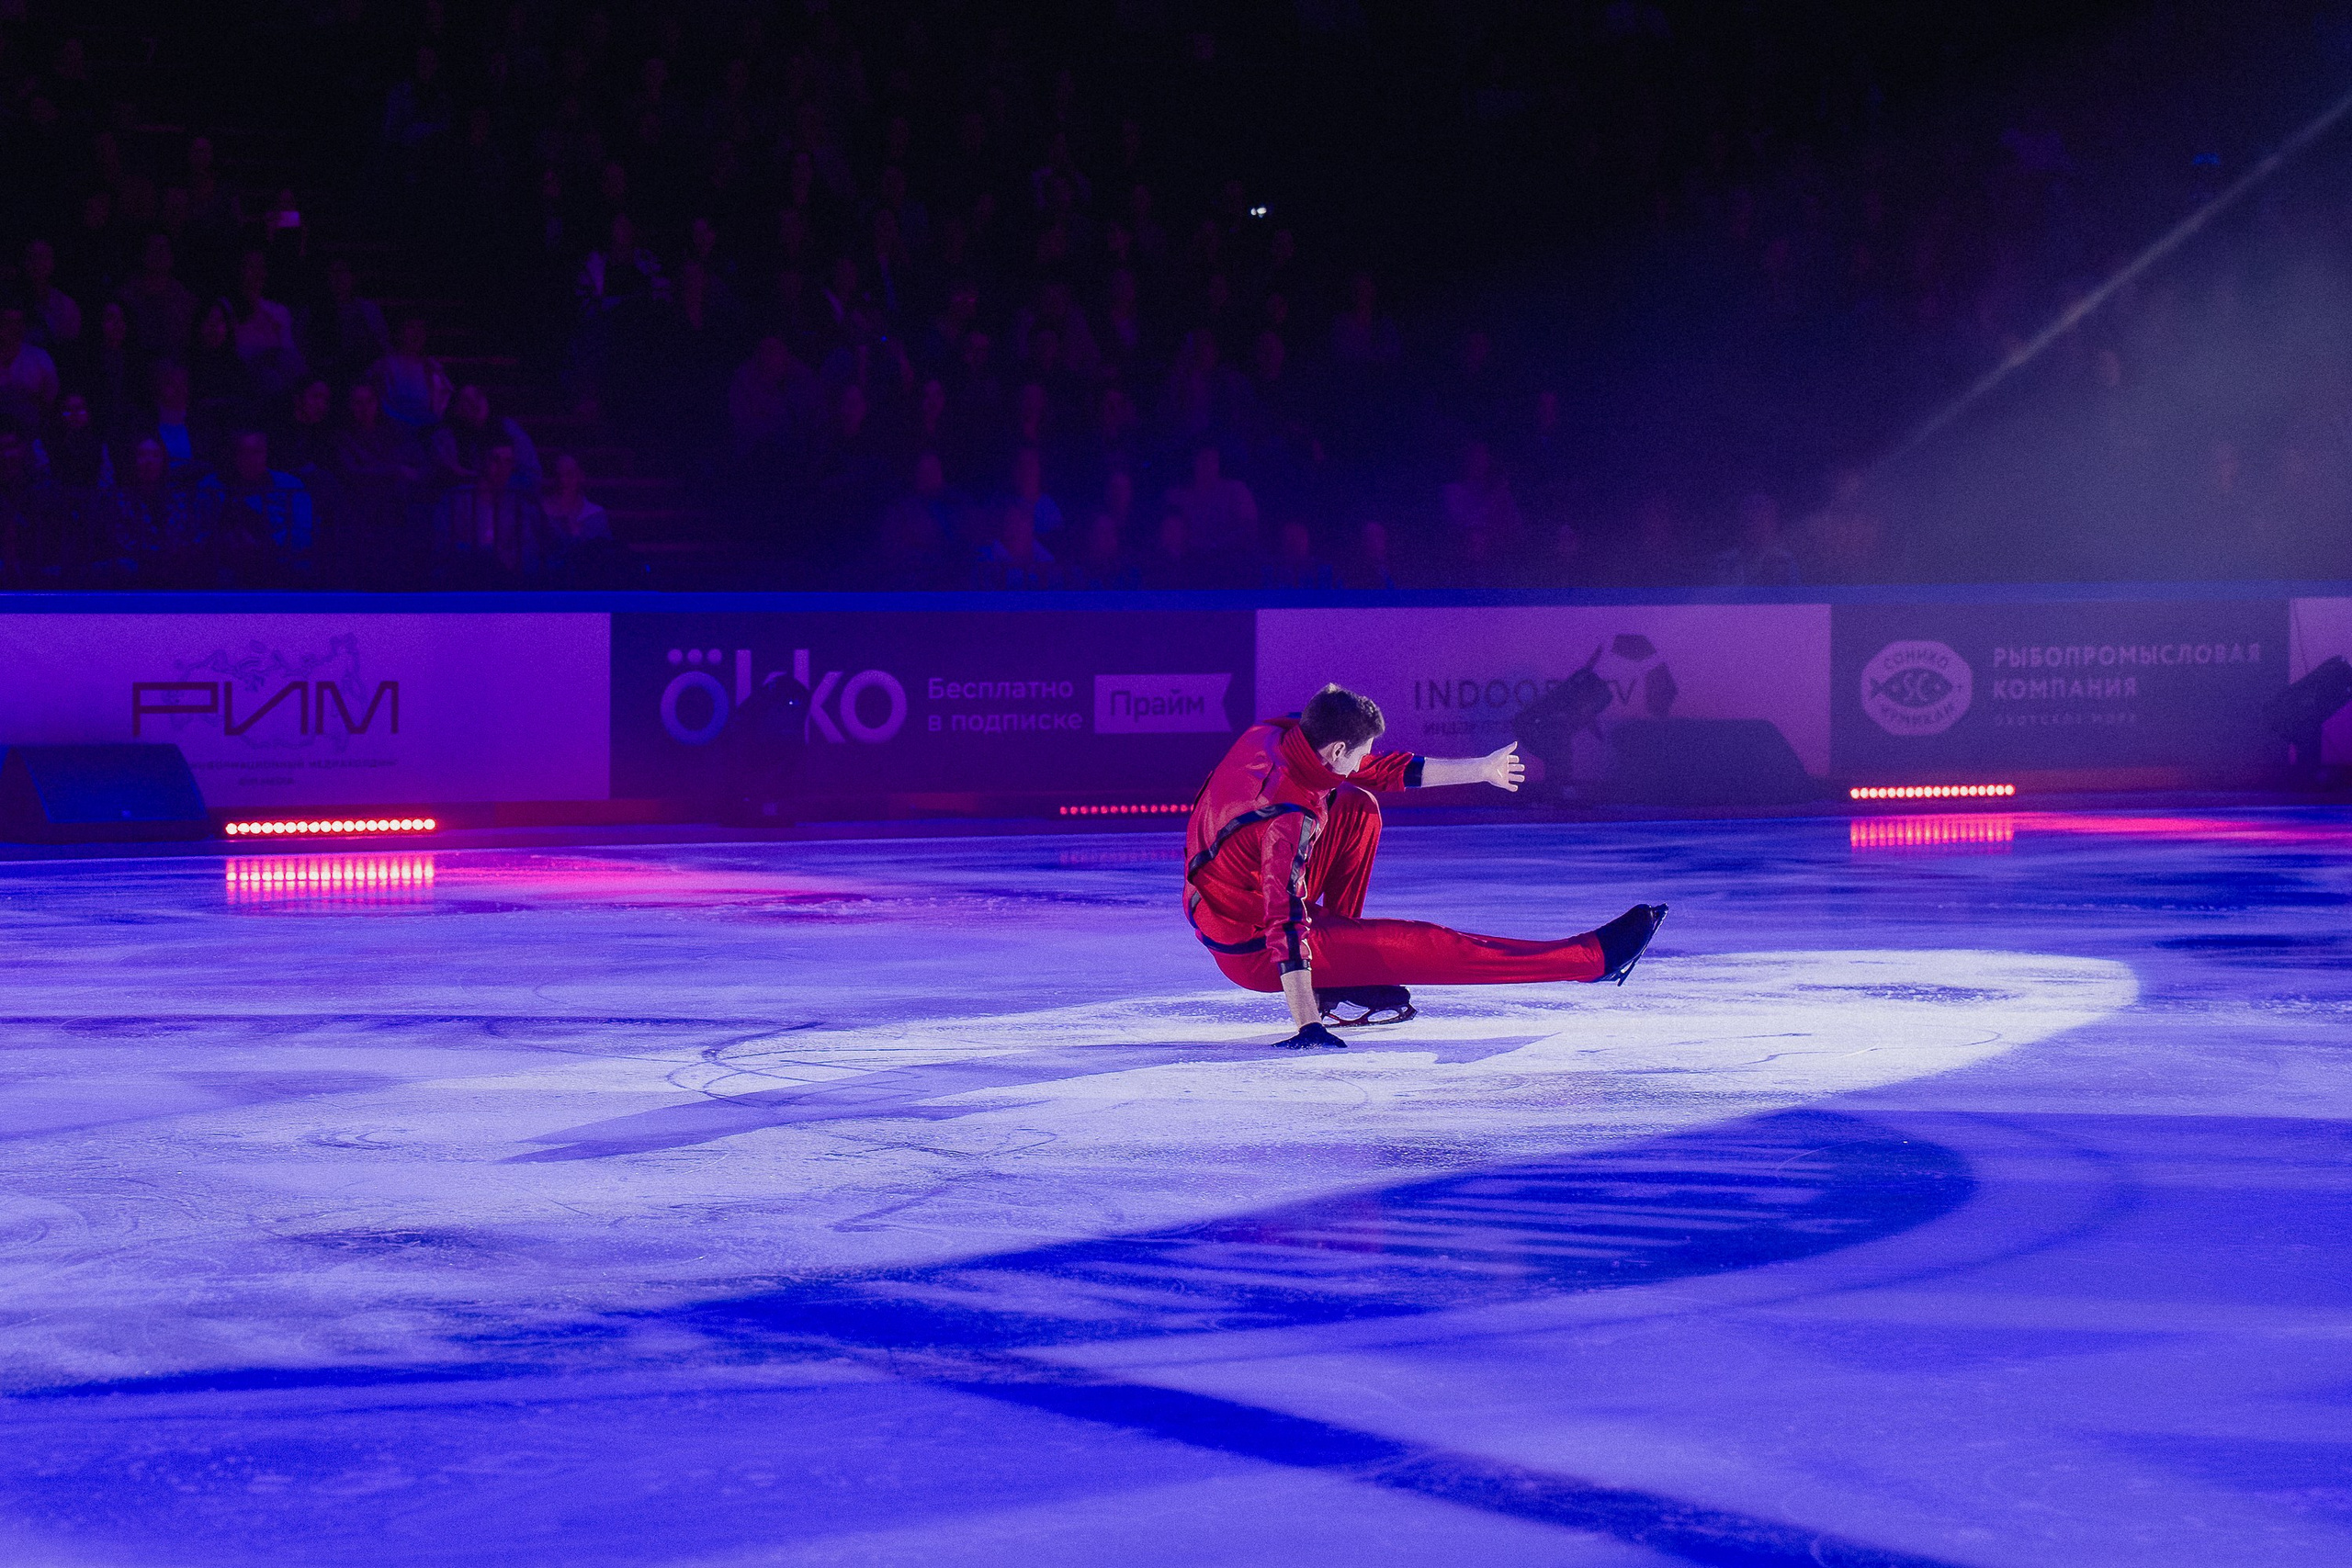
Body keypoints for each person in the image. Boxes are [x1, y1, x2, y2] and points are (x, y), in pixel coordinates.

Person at [1184, 683, 1667, 1049]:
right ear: (1334, 751)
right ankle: (1588, 961)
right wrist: (1308, 1024)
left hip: (1221, 893)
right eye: (1358, 753)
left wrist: (1480, 769)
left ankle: (1345, 958)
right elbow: (1283, 921)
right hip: (1251, 948)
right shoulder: (1288, 815)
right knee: (1430, 944)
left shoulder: (1279, 732)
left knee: (1356, 804)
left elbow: (1380, 771)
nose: (1363, 760)